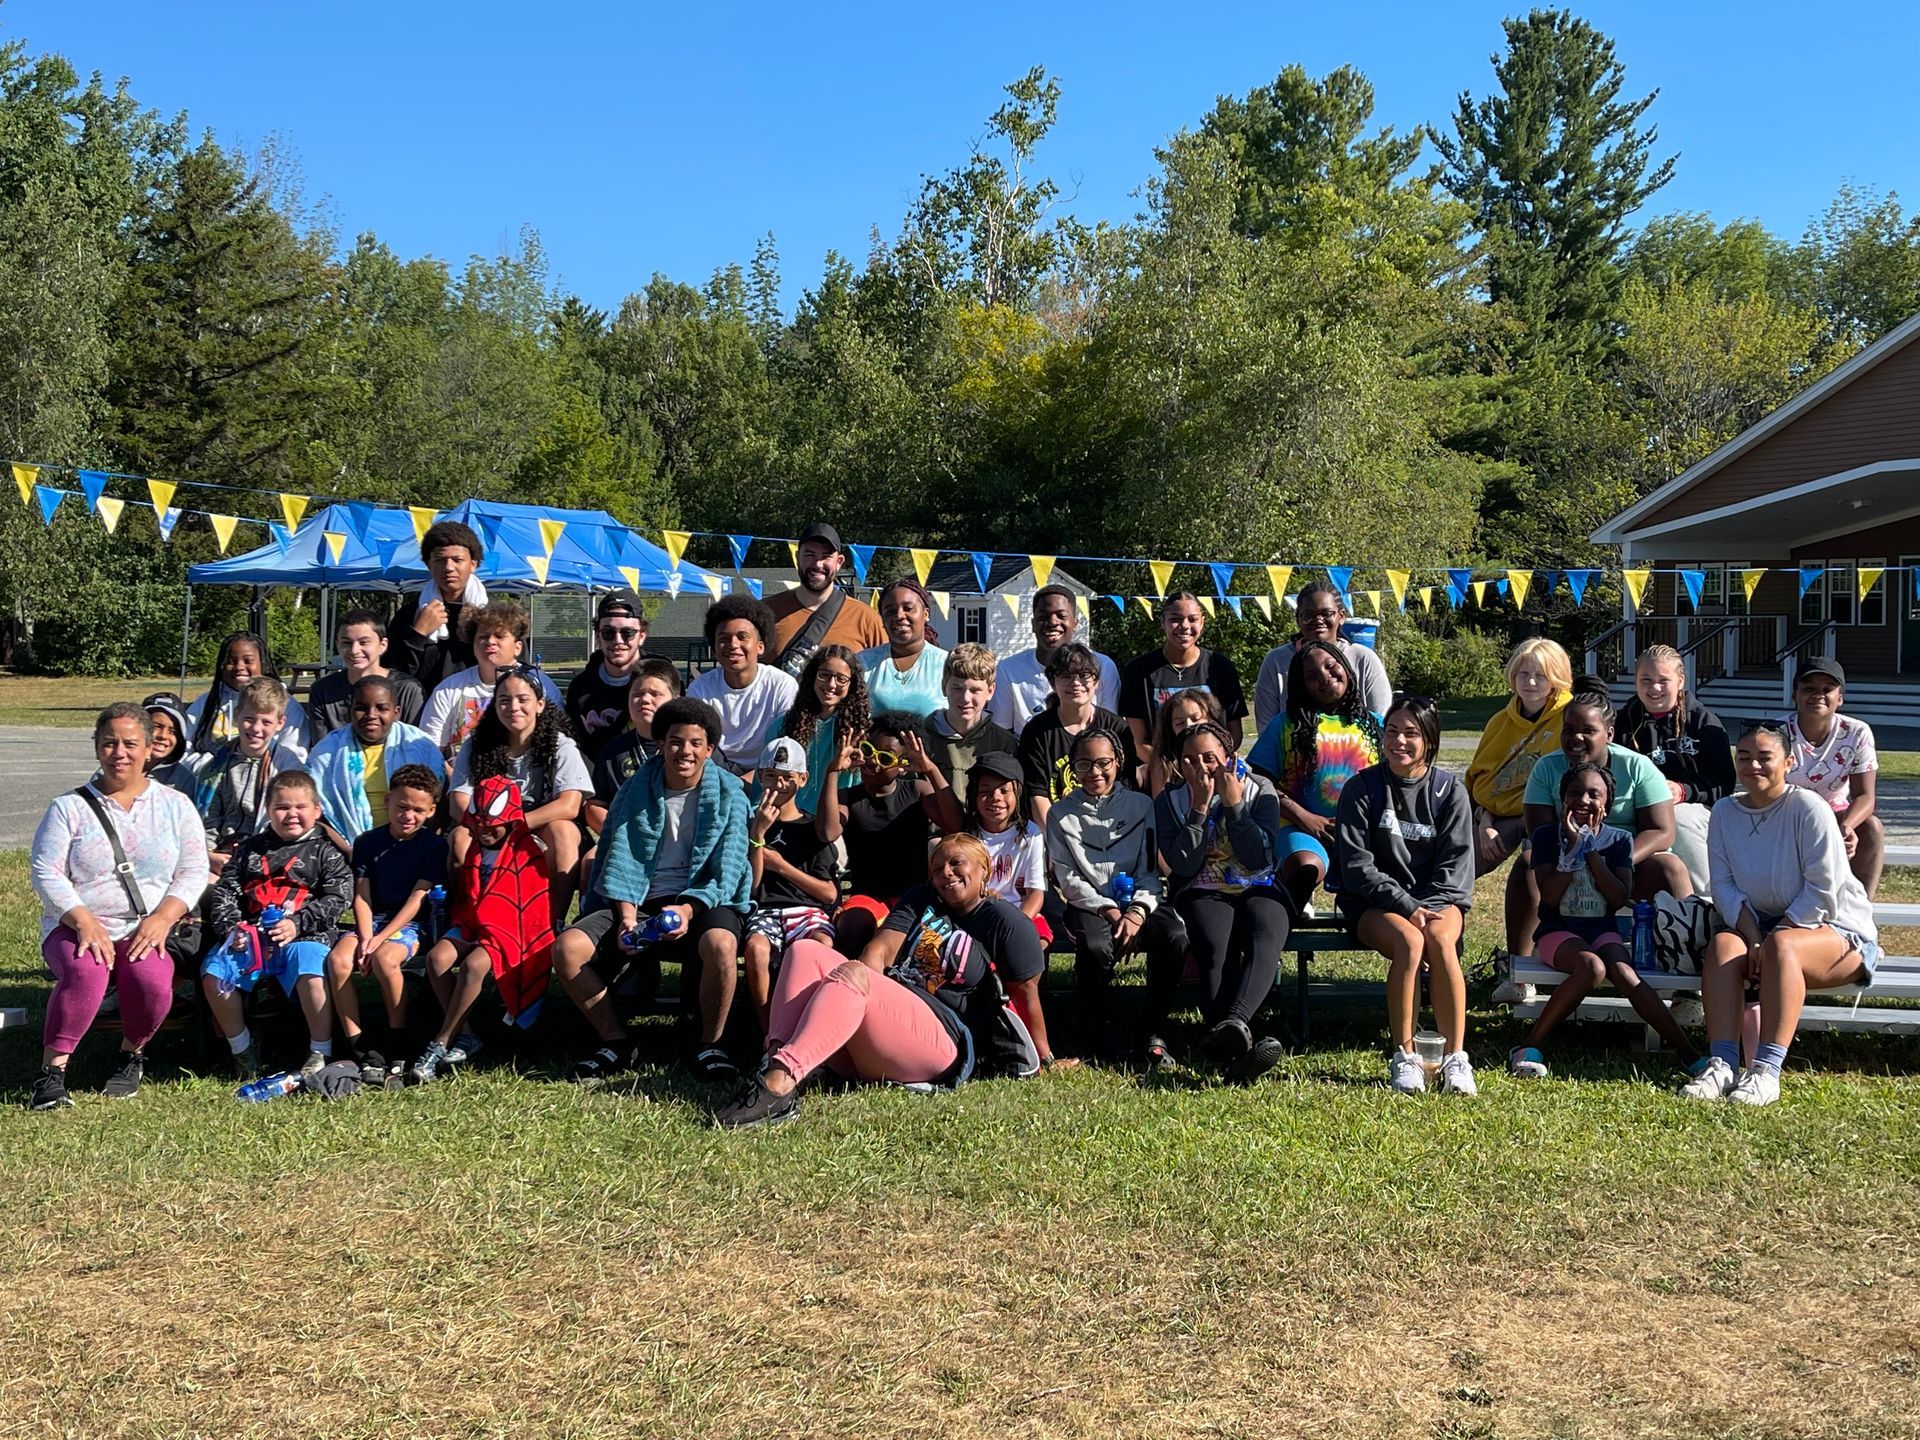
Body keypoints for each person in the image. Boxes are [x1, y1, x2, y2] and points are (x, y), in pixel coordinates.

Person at [714, 834, 1063, 1128]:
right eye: (938, 866)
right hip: (892, 1021)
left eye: (957, 863)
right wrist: (863, 988)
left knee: (852, 975)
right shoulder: (921, 899)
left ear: (984, 870)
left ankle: (780, 1082)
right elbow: (880, 951)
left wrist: (1044, 1060)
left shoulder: (1004, 920)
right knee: (806, 950)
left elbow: (1026, 995)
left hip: (946, 1041)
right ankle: (775, 1067)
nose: (946, 873)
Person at [1679, 720, 1882, 1107]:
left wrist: (1771, 940)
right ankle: (1722, 1063)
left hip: (1835, 929)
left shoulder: (1808, 807)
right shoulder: (1723, 811)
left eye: (1764, 757)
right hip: (1761, 930)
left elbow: (1823, 890)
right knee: (1723, 945)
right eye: (1744, 757)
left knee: (1784, 947)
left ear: (1788, 762)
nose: (1753, 765)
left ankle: (1766, 1071)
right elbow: (1722, 886)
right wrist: (1753, 937)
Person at [555, 697, 753, 1083]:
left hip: (704, 899)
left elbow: (728, 869)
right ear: (660, 745)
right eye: (676, 741)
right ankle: (616, 1041)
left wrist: (688, 910)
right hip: (641, 900)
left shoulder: (730, 792)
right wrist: (627, 917)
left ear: (709, 749)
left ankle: (710, 1043)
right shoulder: (635, 789)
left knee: (722, 944)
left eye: (696, 743)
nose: (685, 751)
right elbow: (620, 857)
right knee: (568, 949)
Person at [27, 703, 209, 1109]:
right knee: (86, 970)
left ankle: (132, 1054)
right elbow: (46, 872)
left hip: (147, 926)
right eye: (110, 743)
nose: (119, 752)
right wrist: (83, 921)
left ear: (149, 749)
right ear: (96, 748)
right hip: (77, 923)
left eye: (130, 743)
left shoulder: (175, 805)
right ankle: (51, 1073)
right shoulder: (68, 808)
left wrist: (163, 918)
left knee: (151, 980)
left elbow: (194, 869)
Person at [1508, 761, 1698, 1078]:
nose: (1584, 801)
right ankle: (1530, 1044)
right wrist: (1572, 850)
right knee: (1591, 968)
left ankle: (1689, 1053)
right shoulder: (1545, 837)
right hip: (1557, 933)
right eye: (1574, 793)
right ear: (1561, 799)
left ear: (1607, 805)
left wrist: (1591, 851)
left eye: (1594, 795)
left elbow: (1617, 897)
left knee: (1625, 973)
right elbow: (1551, 896)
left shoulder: (1619, 840)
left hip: (1602, 931)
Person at [1333, 695, 1476, 1095]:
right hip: (1375, 904)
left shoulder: (1450, 791)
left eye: (1411, 733)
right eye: (1392, 731)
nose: (1399, 741)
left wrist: (1427, 906)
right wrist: (1405, 905)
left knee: (1440, 939)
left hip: (1437, 900)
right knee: (1410, 942)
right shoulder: (1362, 788)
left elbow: (1457, 865)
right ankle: (1406, 1056)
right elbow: (1358, 867)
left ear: (1429, 740)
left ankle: (1455, 1059)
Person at [1155, 721, 1291, 1082]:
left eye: (1209, 758)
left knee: (1267, 931)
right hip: (1203, 886)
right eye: (1189, 759)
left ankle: (1234, 1025)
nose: (1200, 767)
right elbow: (1182, 865)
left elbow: (1259, 857)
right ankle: (1239, 1053)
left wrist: (1234, 807)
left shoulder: (1259, 790)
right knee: (1214, 944)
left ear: (1228, 758)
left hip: (1258, 883)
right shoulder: (1169, 800)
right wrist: (1198, 810)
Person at [201, 771, 354, 1081]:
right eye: (282, 807)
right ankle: (243, 1050)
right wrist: (233, 928)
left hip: (306, 934)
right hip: (252, 935)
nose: (292, 815)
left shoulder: (326, 851)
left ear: (316, 810)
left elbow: (339, 897)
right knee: (215, 973)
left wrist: (298, 924)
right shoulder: (249, 849)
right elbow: (225, 890)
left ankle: (319, 1048)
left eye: (301, 807)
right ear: (268, 811)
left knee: (310, 969)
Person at [1046, 728, 1187, 1063]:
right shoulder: (1060, 814)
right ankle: (1100, 1028)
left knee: (1174, 935)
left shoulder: (1140, 806)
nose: (1094, 773)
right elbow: (1068, 878)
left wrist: (1137, 912)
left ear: (1118, 762)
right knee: (1095, 946)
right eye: (1083, 765)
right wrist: (1109, 911)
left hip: (1140, 901)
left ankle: (1152, 1028)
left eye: (1103, 763)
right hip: (1090, 906)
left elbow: (1149, 871)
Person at [411, 776, 556, 1083]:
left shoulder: (529, 853)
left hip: (507, 933)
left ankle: (440, 1042)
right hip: (472, 924)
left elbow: (529, 909)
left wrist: (487, 936)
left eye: (493, 825)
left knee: (475, 965)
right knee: (437, 959)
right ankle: (466, 1034)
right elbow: (467, 898)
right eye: (479, 824)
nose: (485, 830)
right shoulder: (474, 850)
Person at [1519, 685, 1692, 911]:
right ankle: (1522, 947)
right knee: (1527, 863)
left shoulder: (1637, 766)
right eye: (1568, 730)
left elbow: (1662, 831)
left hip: (1629, 860)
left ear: (1609, 734)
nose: (1576, 738)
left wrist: (1616, 860)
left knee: (1670, 866)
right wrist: (1578, 853)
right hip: (1565, 855)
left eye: (1588, 731)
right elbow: (1540, 831)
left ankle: (1686, 937)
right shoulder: (1546, 768)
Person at [324, 764, 447, 1081]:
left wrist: (378, 942)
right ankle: (358, 1043)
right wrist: (366, 937)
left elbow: (417, 898)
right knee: (338, 960)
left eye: (418, 810)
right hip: (372, 921)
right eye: (402, 806)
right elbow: (361, 896)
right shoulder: (367, 842)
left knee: (386, 959)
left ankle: (398, 1038)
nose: (408, 815)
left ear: (431, 811)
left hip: (409, 924)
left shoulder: (434, 846)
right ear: (387, 801)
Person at [1246, 640, 1384, 914]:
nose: (1325, 677)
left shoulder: (1375, 724)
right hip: (1299, 825)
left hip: (1362, 831)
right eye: (1312, 676)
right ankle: (1287, 920)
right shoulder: (1287, 723)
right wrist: (1306, 818)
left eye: (1331, 666)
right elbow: (1259, 783)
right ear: (1301, 685)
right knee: (1305, 866)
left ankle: (1357, 911)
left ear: (1345, 667)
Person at [448, 667, 592, 921]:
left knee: (564, 831)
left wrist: (516, 826)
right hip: (487, 829)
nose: (513, 707)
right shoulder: (476, 745)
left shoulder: (560, 745)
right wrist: (492, 828)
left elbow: (570, 805)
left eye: (522, 699)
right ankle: (470, 921)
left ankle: (551, 922)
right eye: (504, 700)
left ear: (539, 704)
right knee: (460, 837)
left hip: (538, 828)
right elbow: (458, 801)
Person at [1464, 638, 1573, 971]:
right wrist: (1484, 822)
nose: (1530, 682)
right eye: (1523, 673)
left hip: (1547, 814)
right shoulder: (1500, 721)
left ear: (1557, 677)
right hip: (1492, 813)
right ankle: (1439, 950)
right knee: (1455, 864)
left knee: (1531, 862)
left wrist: (1511, 825)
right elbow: (1478, 781)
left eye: (1540, 675)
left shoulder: (1570, 717)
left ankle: (1522, 964)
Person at [1616, 643, 1735, 893]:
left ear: (1680, 681)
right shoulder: (1622, 723)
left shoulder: (1703, 722)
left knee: (1677, 819)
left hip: (1690, 810)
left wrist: (1684, 791)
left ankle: (1709, 899)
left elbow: (1724, 783)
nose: (1655, 688)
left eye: (1663, 680)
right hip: (1637, 808)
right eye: (1646, 680)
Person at [740, 737, 840, 1030]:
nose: (779, 785)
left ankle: (810, 1029)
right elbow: (751, 888)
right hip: (765, 911)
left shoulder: (812, 828)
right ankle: (769, 1034)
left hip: (807, 912)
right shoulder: (748, 824)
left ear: (803, 779)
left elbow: (829, 892)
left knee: (821, 944)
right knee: (757, 948)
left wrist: (782, 866)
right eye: (771, 776)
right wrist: (757, 835)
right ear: (760, 776)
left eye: (787, 778)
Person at [828, 713, 940, 956]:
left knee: (920, 938)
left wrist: (929, 769)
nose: (873, 762)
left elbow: (955, 823)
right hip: (868, 895)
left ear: (902, 766)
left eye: (886, 757)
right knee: (853, 928)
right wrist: (833, 772)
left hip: (913, 896)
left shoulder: (916, 790)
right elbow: (827, 831)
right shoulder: (849, 797)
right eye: (868, 750)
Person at [1779, 656, 1882, 897]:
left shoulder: (1857, 732)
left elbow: (1865, 796)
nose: (1818, 695)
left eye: (1827, 689)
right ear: (1795, 695)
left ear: (1840, 698)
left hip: (1836, 813)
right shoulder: (1776, 732)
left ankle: (1860, 909)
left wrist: (1846, 827)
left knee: (1871, 828)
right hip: (1786, 813)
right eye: (1809, 689)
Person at [180, 676, 301, 875]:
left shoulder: (287, 768)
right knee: (204, 889)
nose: (256, 729)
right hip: (223, 851)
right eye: (249, 719)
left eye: (266, 722)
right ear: (237, 716)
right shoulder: (216, 767)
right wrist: (209, 854)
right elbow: (209, 819)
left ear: (280, 723)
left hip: (271, 852)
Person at [306, 676, 443, 851]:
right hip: (345, 849)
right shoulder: (327, 752)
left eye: (382, 708)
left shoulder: (421, 746)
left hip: (413, 847)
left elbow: (439, 804)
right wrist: (351, 852)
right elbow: (317, 813)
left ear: (396, 712)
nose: (371, 715)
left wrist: (417, 846)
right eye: (362, 708)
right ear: (350, 711)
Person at [1117, 592, 1246, 777]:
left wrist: (1211, 761)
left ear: (1202, 622)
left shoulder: (1220, 667)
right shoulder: (1138, 671)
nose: (1184, 626)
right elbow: (1138, 741)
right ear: (1163, 622)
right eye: (1176, 619)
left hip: (1213, 770)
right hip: (1163, 774)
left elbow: (1234, 732)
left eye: (1192, 619)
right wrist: (1173, 768)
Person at [1016, 643, 1138, 830]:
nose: (1075, 683)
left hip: (1111, 827)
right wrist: (1062, 840)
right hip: (1058, 831)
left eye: (1084, 675)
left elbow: (1126, 787)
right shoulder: (1036, 732)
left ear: (1096, 682)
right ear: (1052, 683)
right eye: (1065, 676)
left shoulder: (1116, 728)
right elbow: (1037, 795)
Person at [930, 749, 1049, 940]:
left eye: (1004, 790)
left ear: (1017, 793)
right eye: (985, 792)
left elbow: (1035, 893)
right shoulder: (967, 835)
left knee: (1041, 939)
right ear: (973, 796)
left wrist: (1015, 925)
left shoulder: (1031, 833)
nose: (996, 798)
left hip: (1018, 913)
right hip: (974, 913)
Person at [419, 601, 562, 756]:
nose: (490, 642)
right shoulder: (448, 689)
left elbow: (557, 741)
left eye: (499, 636)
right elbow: (429, 749)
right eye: (483, 636)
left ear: (517, 647)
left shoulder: (542, 686)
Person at [1252, 580, 1393, 733]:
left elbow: (1382, 722)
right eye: (1308, 615)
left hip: (1359, 753)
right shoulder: (1276, 661)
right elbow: (1266, 728)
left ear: (1341, 616)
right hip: (1292, 753)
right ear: (1298, 619)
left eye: (1326, 614)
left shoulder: (1364, 659)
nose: (1318, 620)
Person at [687, 593, 800, 778]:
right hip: (714, 776)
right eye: (724, 639)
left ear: (760, 646)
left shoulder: (782, 685)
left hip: (769, 775)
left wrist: (751, 781)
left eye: (742, 637)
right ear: (714, 648)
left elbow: (787, 743)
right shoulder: (700, 689)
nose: (733, 645)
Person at [988, 585, 1120, 732]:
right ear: (1033, 624)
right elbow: (1001, 731)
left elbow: (1110, 726)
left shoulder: (1103, 666)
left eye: (1061, 616)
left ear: (1075, 623)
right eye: (1043, 617)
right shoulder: (1008, 670)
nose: (1052, 622)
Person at [766, 520, 887, 675]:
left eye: (826, 556)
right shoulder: (765, 613)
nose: (818, 564)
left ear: (839, 562)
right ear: (797, 558)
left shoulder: (867, 619)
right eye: (810, 554)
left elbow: (884, 681)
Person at [583, 657, 683, 840]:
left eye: (655, 694)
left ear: (675, 700)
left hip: (678, 838)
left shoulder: (688, 747)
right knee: (591, 862)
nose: (645, 699)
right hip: (624, 840)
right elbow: (594, 806)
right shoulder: (612, 751)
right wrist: (622, 837)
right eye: (637, 693)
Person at [768, 643, 869, 817]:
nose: (831, 684)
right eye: (824, 675)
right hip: (790, 818)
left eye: (841, 679)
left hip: (836, 820)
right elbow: (764, 780)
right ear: (812, 677)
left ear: (851, 684)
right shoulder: (783, 725)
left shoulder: (860, 730)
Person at [388, 518, 487, 691]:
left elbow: (512, 668)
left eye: (457, 560)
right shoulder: (410, 615)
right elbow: (392, 673)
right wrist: (418, 634)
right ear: (428, 564)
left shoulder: (492, 616)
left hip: (481, 709)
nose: (449, 567)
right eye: (440, 560)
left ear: (473, 564)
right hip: (422, 710)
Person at [302, 609, 425, 746]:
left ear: (382, 645)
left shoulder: (407, 688)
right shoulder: (323, 690)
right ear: (337, 645)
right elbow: (321, 746)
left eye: (364, 642)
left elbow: (416, 742)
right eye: (346, 643)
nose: (354, 650)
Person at [920, 642, 1018, 808]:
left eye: (975, 690)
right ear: (944, 687)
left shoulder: (1004, 744)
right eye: (957, 688)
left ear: (991, 691)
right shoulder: (921, 738)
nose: (965, 698)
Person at [186, 631, 307, 760]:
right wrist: (211, 768)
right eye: (231, 661)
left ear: (262, 663)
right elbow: (184, 747)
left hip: (267, 776)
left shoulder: (286, 705)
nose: (239, 667)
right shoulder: (206, 703)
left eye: (248, 660)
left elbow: (295, 755)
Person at [566, 588, 652, 762]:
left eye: (627, 633)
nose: (618, 641)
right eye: (608, 633)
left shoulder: (660, 683)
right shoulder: (580, 687)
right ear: (598, 636)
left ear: (642, 635)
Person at [858, 578, 950, 721]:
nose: (899, 616)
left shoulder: (947, 664)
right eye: (890, 611)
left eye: (908, 608)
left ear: (925, 614)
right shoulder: (862, 663)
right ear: (882, 619)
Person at [1145, 687, 1227, 797]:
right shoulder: (1163, 763)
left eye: (1196, 719)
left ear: (1211, 719)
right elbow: (1161, 807)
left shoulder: (1224, 755)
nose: (1189, 725)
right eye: (1180, 723)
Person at [140, 692, 193, 789]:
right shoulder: (116, 764)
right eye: (156, 727)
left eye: (173, 731)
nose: (163, 736)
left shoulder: (184, 780)